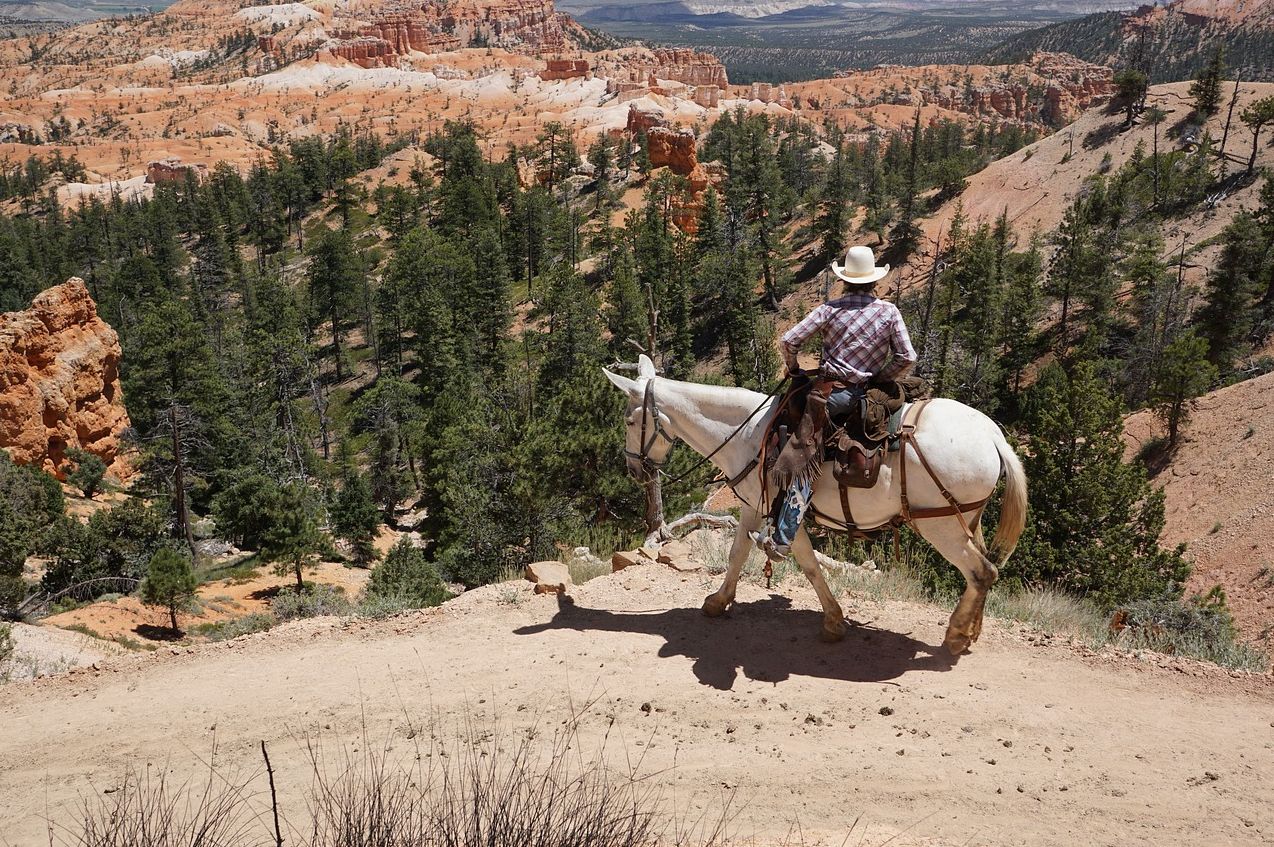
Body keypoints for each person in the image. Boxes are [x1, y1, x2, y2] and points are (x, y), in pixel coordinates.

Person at [755, 245, 918, 560]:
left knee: (804, 450)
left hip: (833, 395)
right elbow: (907, 357)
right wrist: (880, 376)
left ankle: (784, 536)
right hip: (872, 396)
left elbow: (789, 340)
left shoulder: (830, 310)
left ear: (845, 279)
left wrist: (793, 369)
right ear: (874, 281)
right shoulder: (888, 311)